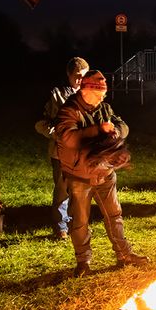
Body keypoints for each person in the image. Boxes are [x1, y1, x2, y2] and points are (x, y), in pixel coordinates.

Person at [55, 69, 148, 277]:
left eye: (103, 94)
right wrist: (97, 130)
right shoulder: (69, 110)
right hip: (79, 176)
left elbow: (123, 125)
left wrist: (115, 130)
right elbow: (68, 138)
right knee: (79, 221)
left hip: (105, 172)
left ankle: (124, 254)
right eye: (99, 94)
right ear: (86, 90)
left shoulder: (104, 108)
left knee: (114, 215)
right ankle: (83, 262)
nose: (102, 98)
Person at [35, 56, 89, 239]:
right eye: (77, 76)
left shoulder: (90, 94)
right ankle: (61, 226)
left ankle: (78, 224)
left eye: (83, 76)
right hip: (60, 152)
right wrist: (57, 134)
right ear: (69, 74)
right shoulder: (57, 95)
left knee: (80, 190)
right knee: (62, 189)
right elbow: (41, 122)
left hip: (82, 154)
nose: (80, 80)